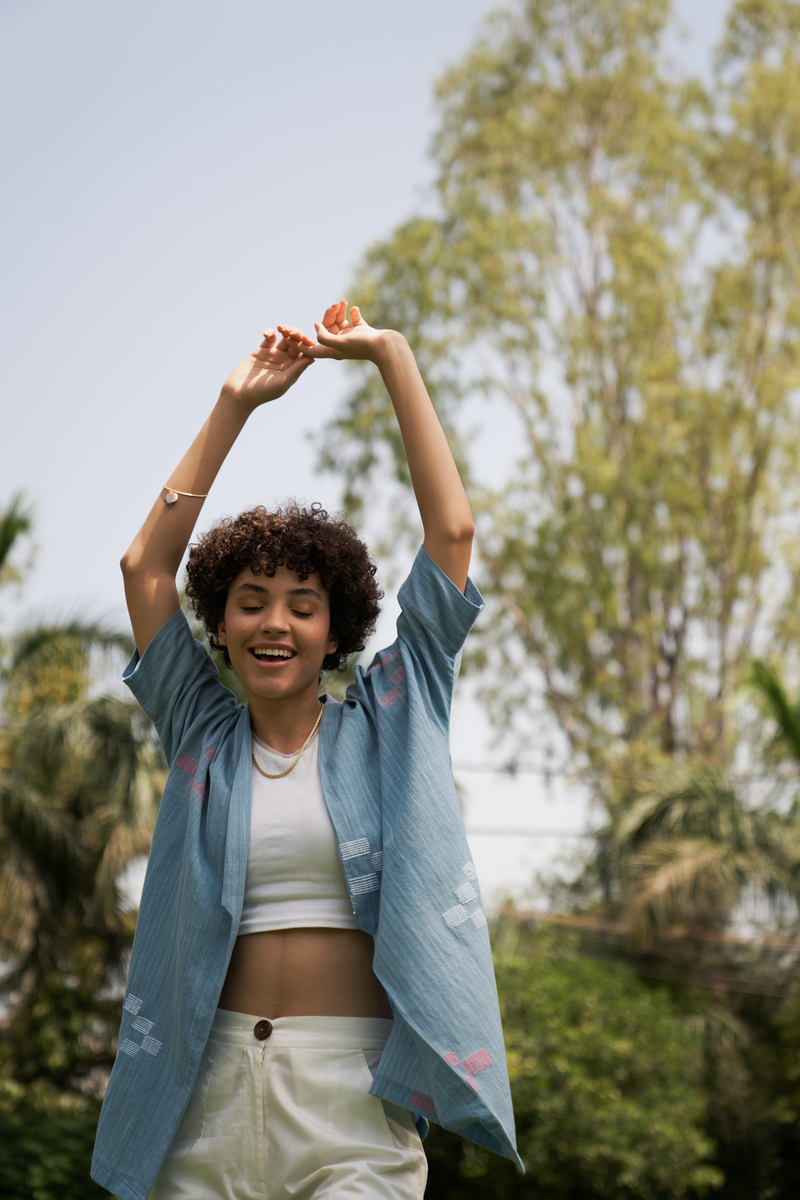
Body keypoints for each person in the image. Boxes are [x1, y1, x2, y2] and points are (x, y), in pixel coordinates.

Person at [91, 302, 521, 1200]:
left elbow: (452, 539)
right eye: (250, 599)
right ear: (222, 623)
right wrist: (233, 408)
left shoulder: (392, 719)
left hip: (349, 1102)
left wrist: (390, 356)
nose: (274, 621)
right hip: (203, 1098)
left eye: (302, 602)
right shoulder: (201, 735)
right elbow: (144, 570)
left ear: (337, 632)